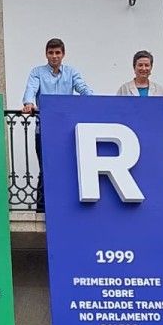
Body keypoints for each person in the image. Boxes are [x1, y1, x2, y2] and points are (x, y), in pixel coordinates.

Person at [21, 38, 93, 211]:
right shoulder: (37, 72)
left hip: (66, 130)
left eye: (57, 53)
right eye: (51, 53)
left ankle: (65, 207)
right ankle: (42, 208)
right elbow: (31, 90)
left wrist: (92, 101)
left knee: (67, 168)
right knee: (46, 168)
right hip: (44, 130)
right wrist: (29, 103)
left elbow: (84, 89)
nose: (54, 56)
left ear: (63, 54)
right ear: (46, 54)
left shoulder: (71, 72)